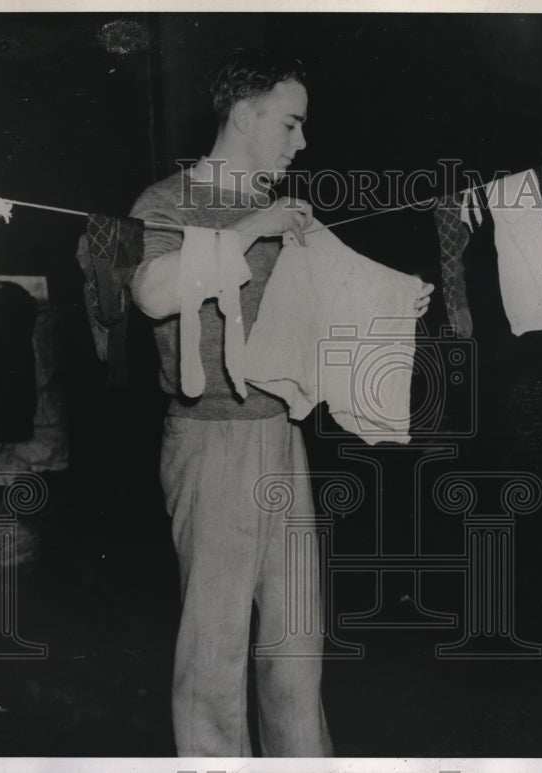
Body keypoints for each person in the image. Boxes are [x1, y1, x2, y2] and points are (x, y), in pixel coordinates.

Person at [129, 49, 433, 756]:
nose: (302, 144)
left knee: (295, 650)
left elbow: (325, 310)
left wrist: (396, 303)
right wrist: (247, 231)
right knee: (215, 656)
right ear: (244, 114)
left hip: (279, 437)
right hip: (210, 443)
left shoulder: (284, 212)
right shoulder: (170, 199)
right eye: (290, 125)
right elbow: (150, 294)